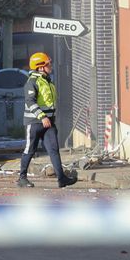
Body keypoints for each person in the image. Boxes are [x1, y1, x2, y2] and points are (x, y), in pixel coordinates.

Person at [17, 52, 77, 188]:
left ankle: (62, 179)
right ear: (40, 67)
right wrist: (42, 116)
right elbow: (30, 102)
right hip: (34, 123)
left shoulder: (47, 80)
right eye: (48, 64)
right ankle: (22, 178)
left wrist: (49, 118)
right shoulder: (32, 82)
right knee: (29, 150)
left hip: (49, 122)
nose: (51, 66)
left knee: (54, 149)